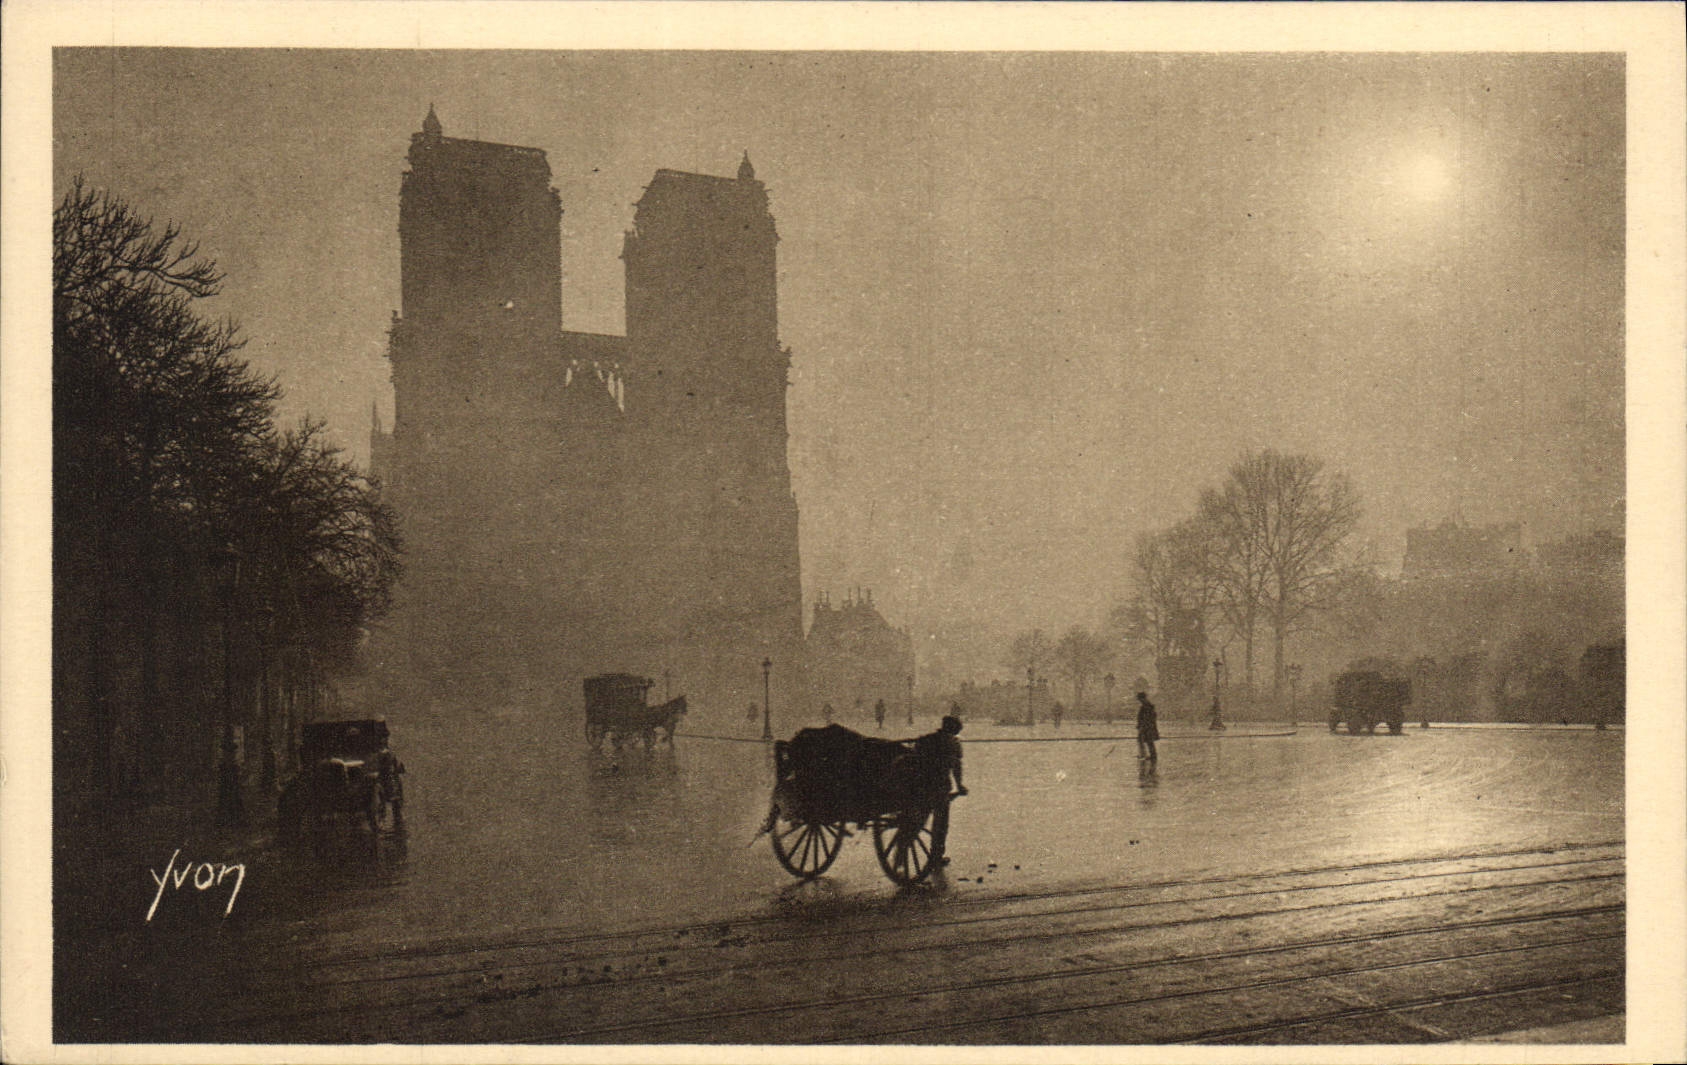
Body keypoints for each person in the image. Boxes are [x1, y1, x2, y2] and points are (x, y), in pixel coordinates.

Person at [914, 713, 966, 863]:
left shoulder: (926, 739)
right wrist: (960, 786)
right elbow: (956, 767)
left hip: (921, 785)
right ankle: (936, 855)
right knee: (940, 823)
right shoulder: (954, 743)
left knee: (920, 818)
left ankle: (906, 840)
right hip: (940, 787)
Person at [1135, 691, 1159, 762]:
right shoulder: (1147, 705)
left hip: (1147, 727)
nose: (1139, 701)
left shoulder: (1146, 706)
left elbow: (1147, 717)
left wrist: (1142, 725)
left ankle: (1150, 755)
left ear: (1143, 698)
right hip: (1146, 726)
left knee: (1147, 741)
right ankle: (1150, 755)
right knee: (1146, 741)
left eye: (1140, 699)